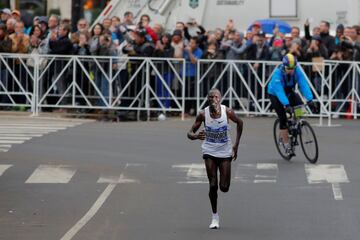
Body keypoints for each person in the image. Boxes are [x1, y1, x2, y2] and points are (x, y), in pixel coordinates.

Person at [187, 88, 243, 229]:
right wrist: (195, 136)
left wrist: (236, 145)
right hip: (209, 151)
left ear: (220, 98)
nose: (213, 99)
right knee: (213, 184)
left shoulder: (228, 112)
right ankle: (215, 217)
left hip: (225, 152)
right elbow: (189, 132)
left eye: (216, 96)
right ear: (208, 99)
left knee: (224, 188)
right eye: (211, 96)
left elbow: (240, 123)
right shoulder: (203, 114)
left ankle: (221, 188)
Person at [267, 53, 317, 156]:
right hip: (275, 94)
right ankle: (286, 145)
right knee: (283, 119)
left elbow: (303, 84)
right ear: (283, 66)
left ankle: (296, 124)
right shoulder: (277, 74)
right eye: (288, 68)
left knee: (300, 108)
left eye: (293, 68)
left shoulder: (297, 70)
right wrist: (286, 105)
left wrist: (310, 99)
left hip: (289, 91)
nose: (291, 70)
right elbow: (279, 92)